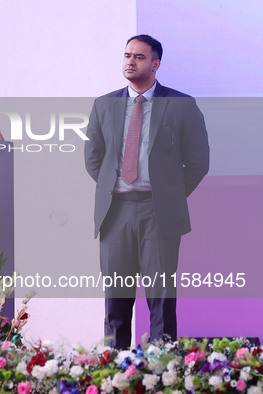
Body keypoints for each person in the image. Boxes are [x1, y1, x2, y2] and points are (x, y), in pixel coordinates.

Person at [84, 35, 209, 349]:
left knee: (160, 297)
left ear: (155, 64)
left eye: (139, 57)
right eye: (127, 55)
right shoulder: (104, 104)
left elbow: (197, 162)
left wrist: (168, 196)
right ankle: (113, 368)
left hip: (158, 212)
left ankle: (161, 368)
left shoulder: (181, 105)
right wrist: (115, 189)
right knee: (116, 299)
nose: (130, 61)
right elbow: (93, 157)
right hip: (115, 213)